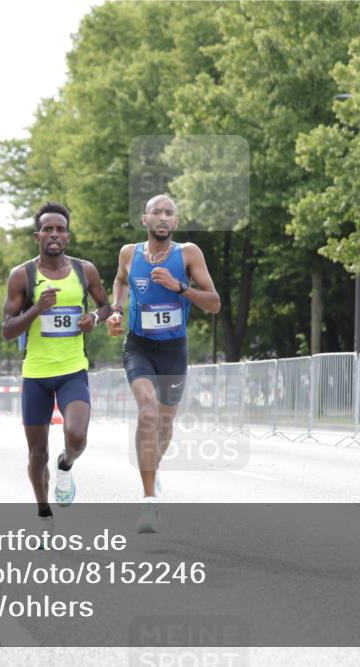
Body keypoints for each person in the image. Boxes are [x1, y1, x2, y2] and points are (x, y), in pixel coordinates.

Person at [107, 194, 220, 532]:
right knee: (148, 411)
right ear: (145, 219)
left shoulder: (189, 254)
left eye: (169, 213)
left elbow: (214, 304)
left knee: (165, 424)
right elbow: (121, 282)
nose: (162, 217)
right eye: (156, 211)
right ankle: (148, 501)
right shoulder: (129, 253)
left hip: (173, 349)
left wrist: (179, 287)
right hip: (139, 346)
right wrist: (116, 310)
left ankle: (152, 475)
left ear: (176, 222)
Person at [1, 202, 110, 534]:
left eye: (60, 229)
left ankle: (66, 465)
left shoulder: (84, 271)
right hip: (36, 375)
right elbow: (8, 330)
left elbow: (107, 306)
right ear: (37, 236)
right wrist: (36, 309)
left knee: (76, 436)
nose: (54, 234)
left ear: (68, 236)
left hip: (72, 370)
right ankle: (44, 514)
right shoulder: (22, 275)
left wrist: (94, 318)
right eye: (47, 229)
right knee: (37, 452)